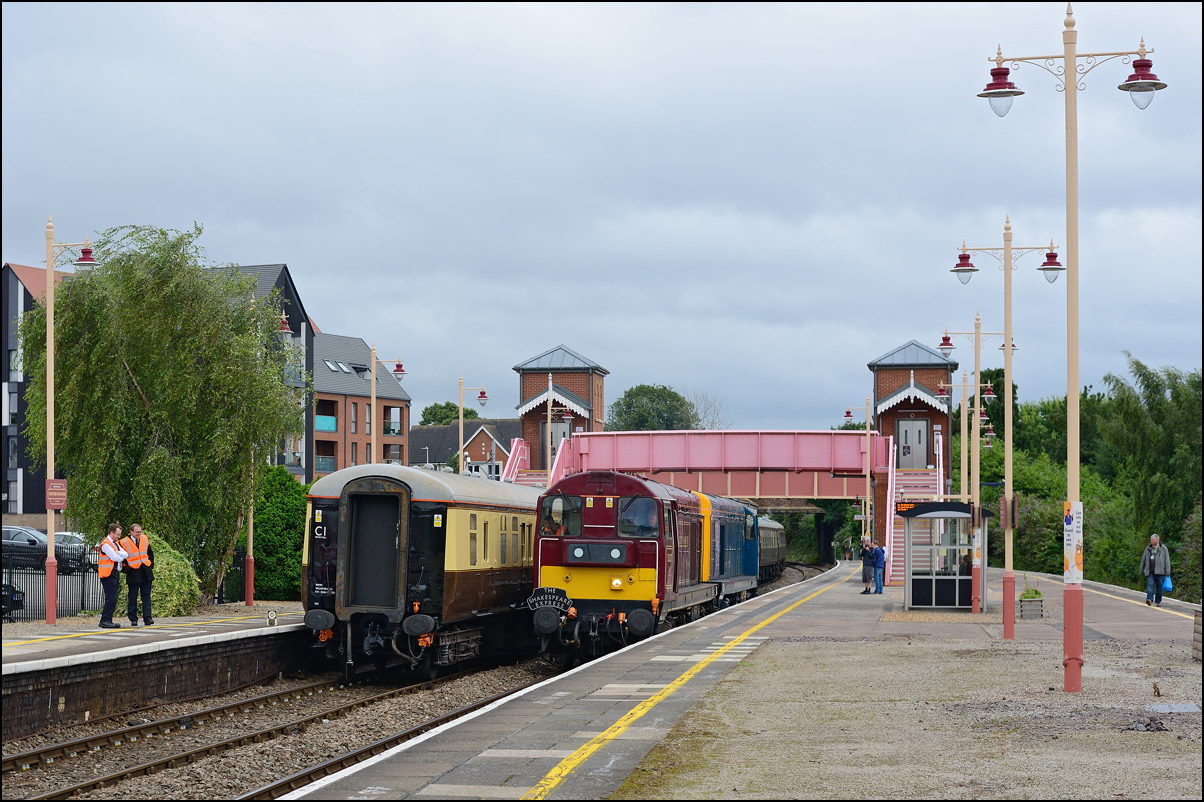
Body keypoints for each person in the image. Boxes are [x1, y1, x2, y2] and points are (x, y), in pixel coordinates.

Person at [120, 523, 154, 626]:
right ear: (131, 532)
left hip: (145, 571)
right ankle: (133, 618)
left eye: (140, 532)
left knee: (146, 595)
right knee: (133, 596)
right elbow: (121, 558)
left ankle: (147, 618)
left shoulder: (144, 538)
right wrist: (126, 569)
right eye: (137, 532)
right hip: (133, 572)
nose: (139, 534)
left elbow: (150, 553)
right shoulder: (123, 542)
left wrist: (150, 565)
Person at [97, 523, 128, 629]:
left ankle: (108, 619)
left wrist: (119, 554)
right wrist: (119, 555)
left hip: (114, 573)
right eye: (118, 534)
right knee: (111, 598)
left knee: (113, 598)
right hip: (107, 574)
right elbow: (115, 557)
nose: (119, 537)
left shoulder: (115, 544)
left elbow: (126, 554)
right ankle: (105, 620)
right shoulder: (106, 544)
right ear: (111, 533)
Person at [1140, 534, 1171, 607]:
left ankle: (1158, 601)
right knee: (1150, 585)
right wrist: (1141, 569)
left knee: (1159, 587)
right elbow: (1143, 559)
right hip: (1150, 571)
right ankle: (1149, 599)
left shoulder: (1163, 548)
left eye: (1153, 540)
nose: (1151, 541)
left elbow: (1167, 560)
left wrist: (1167, 571)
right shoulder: (1148, 548)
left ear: (1157, 540)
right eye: (1151, 540)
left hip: (1160, 571)